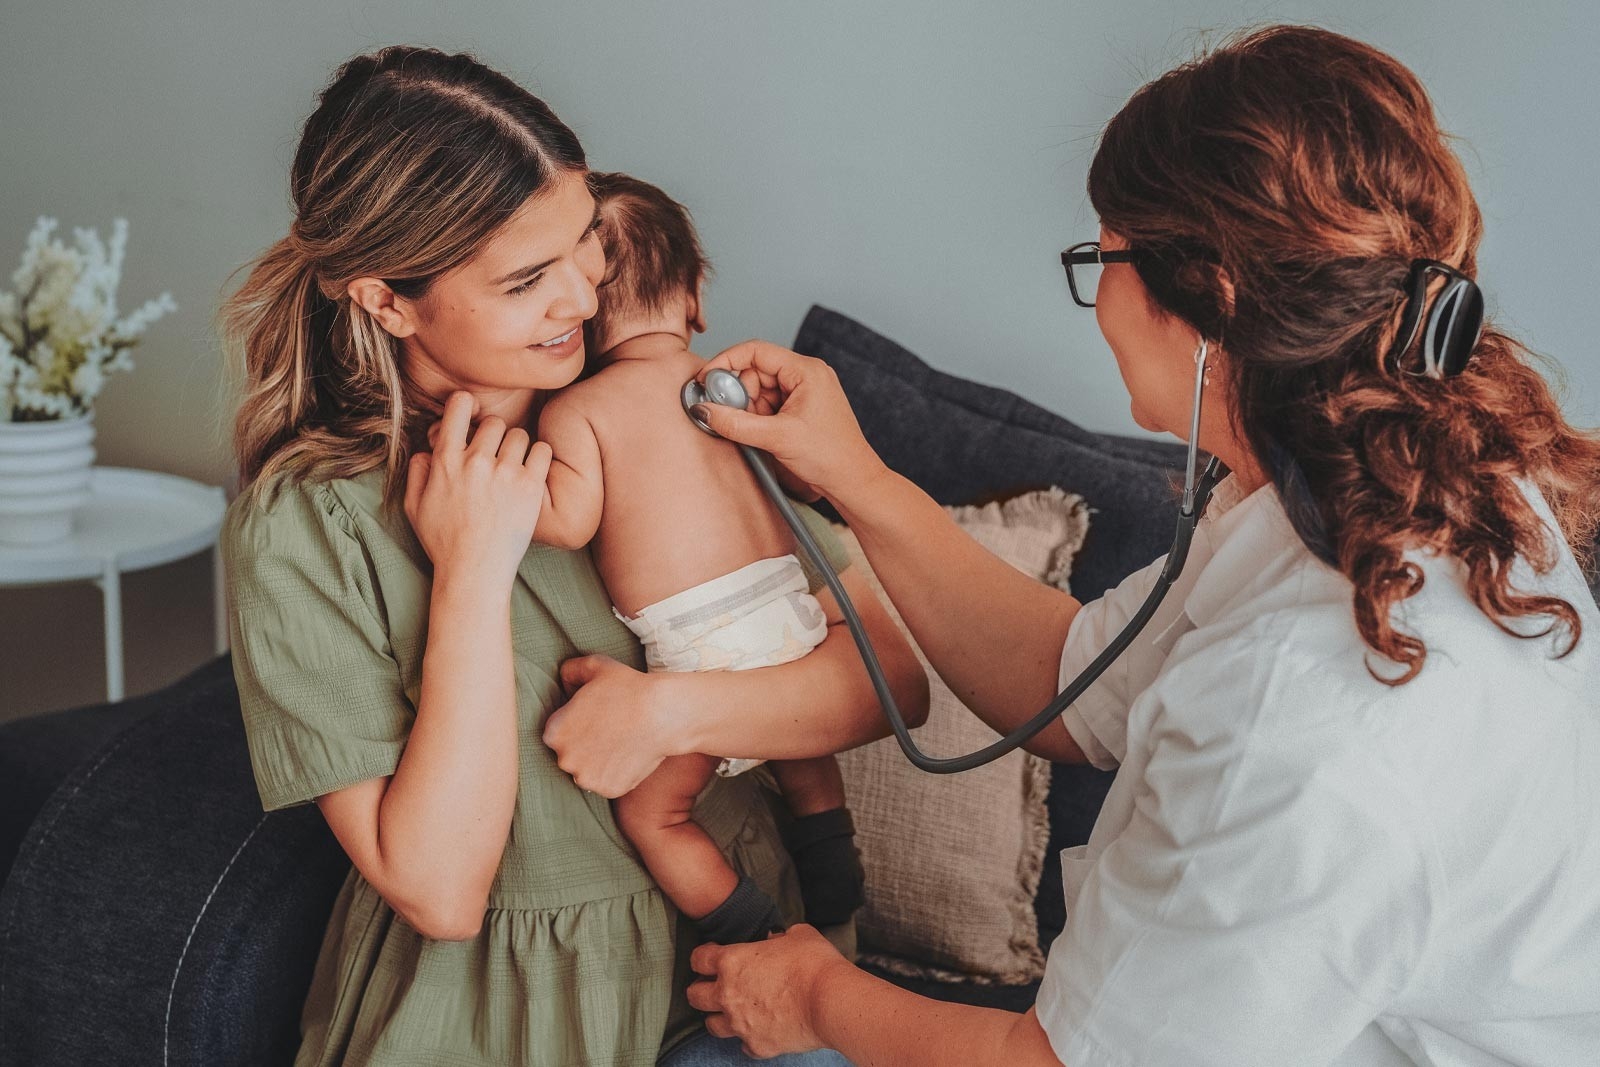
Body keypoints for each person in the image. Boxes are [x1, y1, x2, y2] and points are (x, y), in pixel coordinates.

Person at [544, 25, 1600, 1067]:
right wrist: (857, 477)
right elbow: (1068, 679)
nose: (1097, 296)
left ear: (1211, 297)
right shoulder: (1388, 489)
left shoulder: (1302, 710)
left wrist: (817, 994)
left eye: (1105, 257)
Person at [219, 46, 923, 1067]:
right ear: (385, 300)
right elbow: (442, 887)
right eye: (523, 280)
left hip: (744, 971)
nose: (582, 301)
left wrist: (666, 714)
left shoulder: (660, 406)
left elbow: (888, 678)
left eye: (583, 248)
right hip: (502, 1016)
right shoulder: (308, 523)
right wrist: (469, 568)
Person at [533, 171, 883, 948]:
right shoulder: (723, 393)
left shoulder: (576, 410)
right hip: (790, 620)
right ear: (693, 296)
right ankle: (833, 872)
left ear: (581, 316)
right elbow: (802, 483)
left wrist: (514, 480)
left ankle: (752, 934)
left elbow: (568, 519)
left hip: (701, 651)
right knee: (804, 763)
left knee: (654, 814)